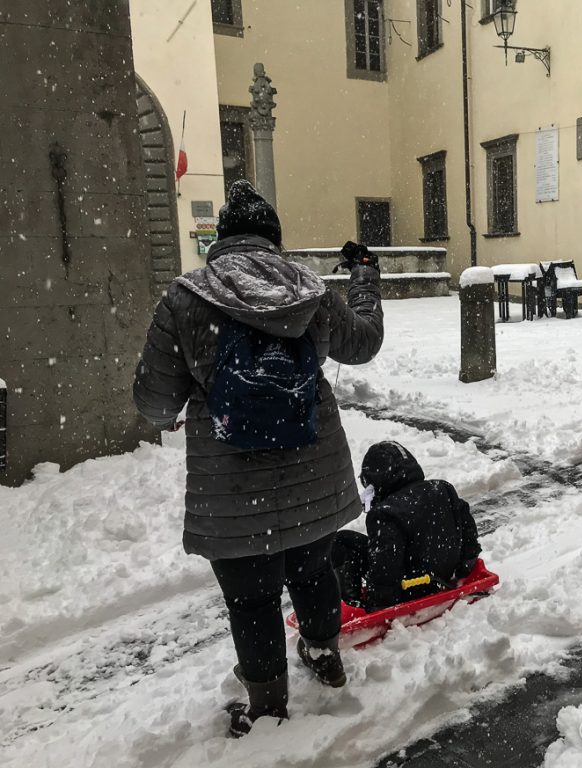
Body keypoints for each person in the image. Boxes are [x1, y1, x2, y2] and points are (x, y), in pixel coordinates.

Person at [132, 180, 384, 736]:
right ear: (274, 239)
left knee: (251, 600)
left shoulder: (184, 299)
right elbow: (363, 343)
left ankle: (268, 706)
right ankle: (324, 656)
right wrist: (365, 276)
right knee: (314, 571)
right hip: (314, 472)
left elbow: (154, 403)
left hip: (231, 488)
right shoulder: (310, 289)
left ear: (221, 240)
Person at [332, 441, 481, 611]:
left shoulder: (386, 512)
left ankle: (352, 605)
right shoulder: (442, 489)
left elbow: (385, 566)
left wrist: (379, 604)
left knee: (342, 540)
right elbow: (468, 530)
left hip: (410, 587)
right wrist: (464, 567)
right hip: (442, 576)